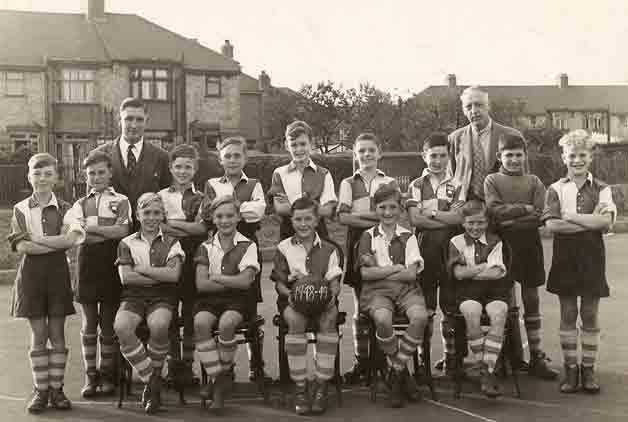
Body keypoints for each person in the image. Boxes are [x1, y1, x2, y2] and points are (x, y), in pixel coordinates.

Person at [447, 86, 527, 368]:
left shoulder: (506, 134)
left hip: (500, 215)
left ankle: (513, 356)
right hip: (470, 215)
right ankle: (456, 356)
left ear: (488, 105)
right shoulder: (455, 139)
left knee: (506, 281)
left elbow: (519, 175)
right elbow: (452, 180)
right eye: (468, 107)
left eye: (478, 105)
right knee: (461, 282)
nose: (473, 111)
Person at [8, 153, 85, 413]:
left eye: (48, 173)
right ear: (29, 176)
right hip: (31, 275)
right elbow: (22, 246)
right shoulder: (20, 208)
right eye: (37, 173)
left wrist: (37, 240)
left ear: (57, 177)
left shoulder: (68, 207)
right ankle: (41, 390)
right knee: (39, 335)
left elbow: (71, 240)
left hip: (57, 275)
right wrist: (55, 241)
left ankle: (57, 389)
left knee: (57, 334)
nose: (42, 178)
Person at [542, 129, 616, 394]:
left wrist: (570, 216)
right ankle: (571, 370)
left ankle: (588, 369)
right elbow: (552, 226)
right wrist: (588, 221)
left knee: (589, 314)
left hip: (592, 258)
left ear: (590, 157)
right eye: (572, 155)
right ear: (564, 157)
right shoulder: (555, 188)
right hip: (565, 258)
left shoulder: (603, 188)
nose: (577, 160)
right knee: (568, 314)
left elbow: (605, 222)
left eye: (582, 155)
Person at [484, 134, 559, 381]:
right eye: (509, 155)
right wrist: (522, 209)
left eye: (518, 155)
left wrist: (511, 218)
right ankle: (506, 355)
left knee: (531, 298)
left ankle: (536, 355)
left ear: (525, 156)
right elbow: (494, 212)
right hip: (502, 245)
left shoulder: (535, 181)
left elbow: (540, 214)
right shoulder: (492, 180)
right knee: (504, 298)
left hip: (529, 244)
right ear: (500, 157)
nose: (514, 160)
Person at [64, 151, 132, 397]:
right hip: (87, 266)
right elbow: (78, 235)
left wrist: (92, 229)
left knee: (108, 324)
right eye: (91, 173)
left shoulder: (122, 200)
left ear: (110, 172)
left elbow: (123, 231)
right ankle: (90, 376)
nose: (96, 177)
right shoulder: (79, 204)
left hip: (111, 265)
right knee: (89, 322)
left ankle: (107, 374)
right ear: (85, 176)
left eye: (101, 172)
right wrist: (107, 229)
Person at [203, 136, 268, 381]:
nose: (232, 160)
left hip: (247, 245)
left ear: (245, 158)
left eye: (236, 155)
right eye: (227, 156)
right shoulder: (211, 183)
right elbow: (208, 214)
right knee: (221, 295)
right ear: (220, 159)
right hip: (220, 246)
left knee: (249, 305)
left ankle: (256, 364)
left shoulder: (254, 183)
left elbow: (259, 211)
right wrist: (241, 208)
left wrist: (228, 207)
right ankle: (224, 368)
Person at [357, 185, 428, 408]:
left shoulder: (408, 236)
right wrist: (394, 268)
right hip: (377, 292)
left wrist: (383, 270)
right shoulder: (367, 236)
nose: (387, 212)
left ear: (400, 210)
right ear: (375, 208)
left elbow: (410, 274)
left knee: (420, 317)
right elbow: (366, 274)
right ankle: (404, 375)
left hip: (407, 290)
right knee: (383, 320)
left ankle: (395, 373)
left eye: (392, 207)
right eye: (382, 207)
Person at [271, 197, 343, 416]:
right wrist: (292, 296)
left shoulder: (330, 248)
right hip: (293, 299)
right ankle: (300, 387)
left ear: (317, 219)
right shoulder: (284, 247)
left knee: (328, 320)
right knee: (295, 320)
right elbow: (280, 284)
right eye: (298, 219)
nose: (303, 224)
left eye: (308, 219)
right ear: (291, 220)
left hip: (324, 299)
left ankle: (321, 385)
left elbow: (335, 282)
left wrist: (331, 298)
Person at [113, 193, 185, 414]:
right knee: (122, 327)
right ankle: (152, 381)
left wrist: (142, 269)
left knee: (159, 325)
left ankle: (150, 385)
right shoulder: (126, 242)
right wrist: (159, 274)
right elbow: (127, 278)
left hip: (163, 296)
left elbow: (173, 277)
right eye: (146, 213)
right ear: (137, 215)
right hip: (133, 296)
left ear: (163, 215)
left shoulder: (173, 242)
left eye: (156, 213)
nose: (152, 218)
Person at [337, 132, 398, 385]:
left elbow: (392, 215)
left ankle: (382, 360)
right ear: (355, 154)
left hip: (383, 243)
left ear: (379, 153)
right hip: (356, 245)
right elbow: (343, 218)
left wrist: (364, 216)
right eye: (361, 151)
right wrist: (376, 217)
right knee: (361, 306)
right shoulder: (348, 183)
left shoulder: (390, 182)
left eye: (371, 150)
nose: (366, 155)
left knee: (381, 300)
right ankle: (363, 361)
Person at [193, 196, 260, 413]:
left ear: (239, 217)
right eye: (220, 216)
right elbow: (201, 284)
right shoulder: (205, 246)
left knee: (227, 324)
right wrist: (232, 281)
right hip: (210, 300)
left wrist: (218, 278)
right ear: (213, 218)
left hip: (239, 301)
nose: (225, 220)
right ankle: (218, 378)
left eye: (230, 215)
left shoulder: (248, 245)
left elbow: (245, 282)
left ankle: (219, 386)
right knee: (201, 323)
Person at [406, 132, 463, 376]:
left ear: (448, 157)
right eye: (433, 156)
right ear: (424, 156)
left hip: (451, 250)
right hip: (425, 248)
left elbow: (459, 218)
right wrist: (443, 217)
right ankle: (423, 361)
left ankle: (452, 359)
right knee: (426, 307)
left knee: (451, 306)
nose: (437, 161)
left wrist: (430, 215)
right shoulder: (416, 185)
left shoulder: (457, 184)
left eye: (442, 155)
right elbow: (415, 219)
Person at [448, 201, 510, 398]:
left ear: (487, 222)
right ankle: (487, 370)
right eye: (471, 223)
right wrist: (483, 266)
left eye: (481, 223)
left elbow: (496, 274)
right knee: (472, 313)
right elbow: (457, 274)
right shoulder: (456, 242)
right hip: (467, 291)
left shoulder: (496, 241)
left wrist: (470, 271)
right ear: (463, 223)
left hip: (494, 290)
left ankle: (486, 369)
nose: (476, 227)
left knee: (499, 314)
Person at [157, 144, 207, 386]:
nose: (183, 171)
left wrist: (173, 226)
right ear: (170, 168)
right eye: (178, 166)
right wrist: (186, 227)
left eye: (188, 167)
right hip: (167, 256)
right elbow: (158, 227)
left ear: (195, 169)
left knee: (189, 312)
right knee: (168, 310)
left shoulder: (201, 198)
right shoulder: (161, 196)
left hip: (193, 256)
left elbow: (201, 228)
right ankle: (173, 364)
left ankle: (187, 365)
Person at [94, 97, 171, 228]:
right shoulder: (99, 155)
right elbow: (90, 202)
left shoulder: (162, 157)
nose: (134, 125)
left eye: (139, 120)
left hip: (147, 238)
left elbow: (166, 202)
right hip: (108, 239)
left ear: (147, 121)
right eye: (129, 119)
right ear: (119, 120)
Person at [269, 120, 337, 240]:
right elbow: (280, 208)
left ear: (311, 143)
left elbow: (327, 210)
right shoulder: (279, 173)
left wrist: (291, 205)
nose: (299, 149)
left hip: (318, 232)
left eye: (303, 144)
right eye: (294, 145)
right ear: (286, 145)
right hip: (289, 232)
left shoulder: (324, 173)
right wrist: (315, 205)